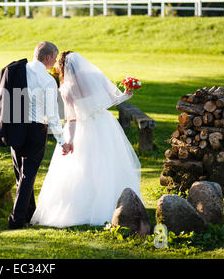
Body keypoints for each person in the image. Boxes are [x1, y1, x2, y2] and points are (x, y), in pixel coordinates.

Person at [30, 51, 142, 228]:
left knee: (82, 167)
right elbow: (114, 100)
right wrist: (127, 93)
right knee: (108, 164)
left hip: (82, 128)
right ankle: (118, 204)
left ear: (63, 67)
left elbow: (72, 119)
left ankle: (82, 207)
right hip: (105, 125)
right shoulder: (96, 77)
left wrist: (70, 140)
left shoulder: (66, 88)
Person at [0, 41, 72, 229]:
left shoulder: (15, 70)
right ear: (48, 57)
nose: (55, 62)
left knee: (21, 174)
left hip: (15, 127)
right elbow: (52, 115)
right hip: (35, 130)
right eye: (55, 58)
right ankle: (16, 220)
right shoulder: (48, 80)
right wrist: (61, 140)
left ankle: (28, 213)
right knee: (28, 175)